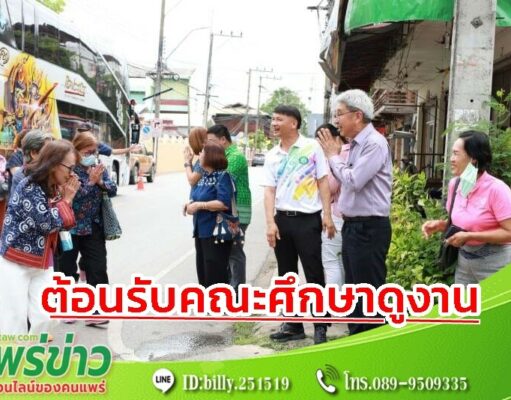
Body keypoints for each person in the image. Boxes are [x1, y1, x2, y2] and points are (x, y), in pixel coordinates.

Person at [317, 89, 393, 336]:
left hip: (369, 227)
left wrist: (333, 156)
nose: (336, 120)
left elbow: (354, 179)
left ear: (357, 115)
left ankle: (371, 343)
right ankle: (358, 338)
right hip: (353, 226)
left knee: (368, 292)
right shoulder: (355, 145)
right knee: (355, 290)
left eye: (339, 114)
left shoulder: (374, 144)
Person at [263, 105, 334, 345]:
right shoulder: (272, 155)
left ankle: (321, 326)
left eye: (279, 119)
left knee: (314, 273)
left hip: (308, 220)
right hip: (282, 220)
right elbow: (269, 191)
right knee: (286, 274)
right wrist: (270, 223)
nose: (274, 123)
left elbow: (323, 181)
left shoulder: (311, 147)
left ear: (293, 123)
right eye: (273, 119)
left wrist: (327, 215)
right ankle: (293, 325)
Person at [0, 140, 80, 334]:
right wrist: (66, 201)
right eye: (70, 168)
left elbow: (65, 222)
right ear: (53, 164)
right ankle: (14, 354)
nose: (72, 174)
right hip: (16, 260)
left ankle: (31, 350)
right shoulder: (29, 185)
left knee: (47, 316)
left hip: (43, 262)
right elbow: (46, 223)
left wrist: (65, 201)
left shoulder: (54, 187)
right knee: (14, 321)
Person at [422, 130, 511, 284]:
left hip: (495, 265)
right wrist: (441, 225)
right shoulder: (455, 184)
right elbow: (465, 224)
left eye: (456, 154)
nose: (451, 159)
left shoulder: (497, 189)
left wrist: (470, 236)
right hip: (464, 265)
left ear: (473, 159)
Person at [59, 131, 117, 327]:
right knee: (67, 268)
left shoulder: (97, 168)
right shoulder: (68, 169)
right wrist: (92, 182)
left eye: (94, 152)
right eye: (87, 152)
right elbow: (74, 195)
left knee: (98, 267)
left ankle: (97, 310)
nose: (91, 155)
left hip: (93, 227)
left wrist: (100, 181)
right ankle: (67, 307)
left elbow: (113, 189)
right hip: (69, 228)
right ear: (76, 150)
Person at [206, 124, 252, 291]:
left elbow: (218, 179)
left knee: (234, 252)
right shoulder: (223, 156)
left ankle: (238, 293)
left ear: (223, 140)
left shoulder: (235, 157)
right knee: (226, 253)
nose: (208, 145)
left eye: (211, 141)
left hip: (237, 212)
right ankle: (228, 290)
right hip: (228, 212)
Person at [184, 142, 235, 287]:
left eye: (202, 153)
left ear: (210, 156)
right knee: (203, 274)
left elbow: (223, 203)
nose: (199, 155)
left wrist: (200, 205)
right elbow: (198, 197)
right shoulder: (204, 176)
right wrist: (190, 204)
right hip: (201, 231)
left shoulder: (223, 176)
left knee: (216, 275)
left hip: (216, 232)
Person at [315, 124, 349, 288]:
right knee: (341, 262)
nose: (321, 148)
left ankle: (334, 299)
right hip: (349, 217)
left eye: (322, 142)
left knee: (331, 262)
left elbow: (330, 187)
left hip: (337, 216)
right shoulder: (352, 151)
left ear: (334, 139)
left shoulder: (339, 155)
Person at [10, 129, 53, 197]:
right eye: (47, 150)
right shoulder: (21, 176)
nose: (52, 154)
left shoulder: (50, 172)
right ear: (34, 153)